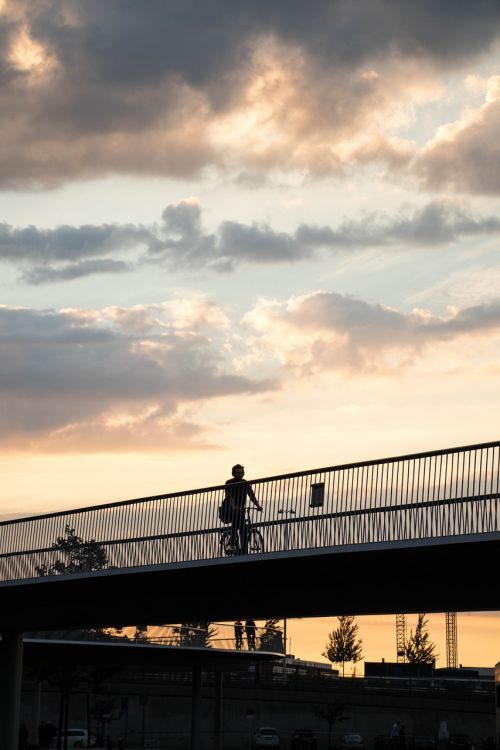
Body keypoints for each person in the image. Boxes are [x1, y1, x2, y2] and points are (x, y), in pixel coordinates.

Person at [225, 464, 262, 554]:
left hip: (241, 509)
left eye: (241, 472)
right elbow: (230, 497)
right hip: (230, 508)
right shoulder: (229, 482)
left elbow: (251, 496)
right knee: (241, 527)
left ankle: (238, 548)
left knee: (241, 527)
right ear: (233, 473)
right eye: (237, 473)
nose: (239, 474)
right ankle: (233, 546)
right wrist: (233, 507)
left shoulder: (245, 483)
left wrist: (258, 506)